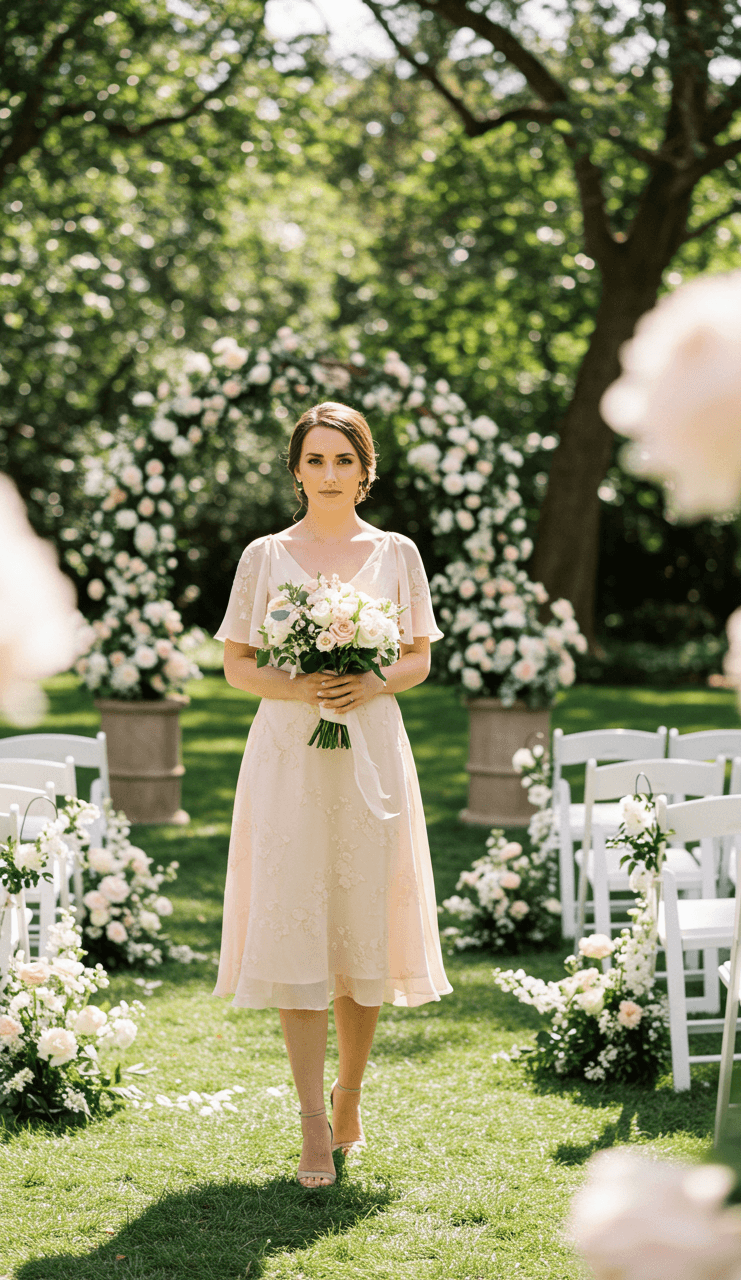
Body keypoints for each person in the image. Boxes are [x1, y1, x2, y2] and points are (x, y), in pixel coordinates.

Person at [213, 400, 452, 1188]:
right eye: (314, 461)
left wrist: (369, 677)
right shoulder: (264, 555)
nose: (328, 474)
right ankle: (313, 1122)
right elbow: (238, 666)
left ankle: (350, 1093)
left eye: (342, 460)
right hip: (288, 751)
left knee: (360, 924)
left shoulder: (396, 553)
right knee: (296, 926)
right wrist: (302, 682)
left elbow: (417, 656)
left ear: (365, 469)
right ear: (295, 469)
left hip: (371, 747)